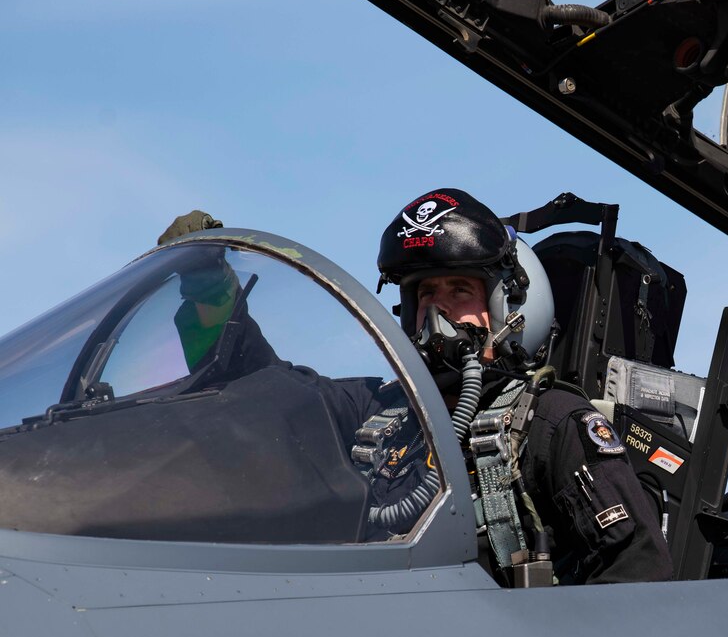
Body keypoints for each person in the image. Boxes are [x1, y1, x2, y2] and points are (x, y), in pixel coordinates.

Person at [158, 191, 674, 585]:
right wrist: (212, 293)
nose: (439, 309)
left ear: (509, 306)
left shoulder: (552, 423)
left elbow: (636, 578)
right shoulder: (376, 411)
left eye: (460, 290)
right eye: (425, 293)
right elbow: (269, 398)